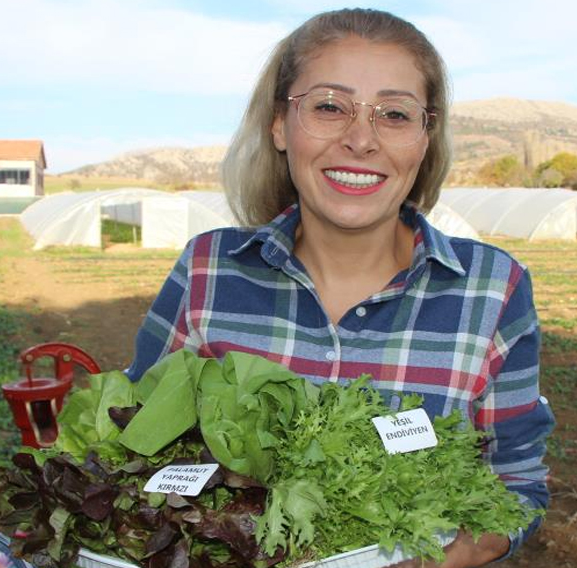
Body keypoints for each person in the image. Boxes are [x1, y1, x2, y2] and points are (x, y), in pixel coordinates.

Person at [126, 8, 554, 567]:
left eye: (394, 115)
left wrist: (449, 557)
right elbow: (131, 447)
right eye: (329, 107)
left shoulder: (493, 290)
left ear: (425, 137)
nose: (361, 140)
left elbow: (518, 487)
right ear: (280, 125)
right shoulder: (208, 269)